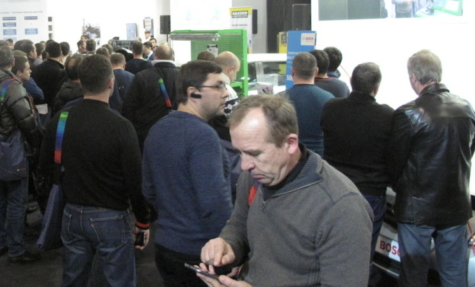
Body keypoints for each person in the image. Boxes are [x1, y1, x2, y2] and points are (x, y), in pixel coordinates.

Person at [199, 95, 373, 287]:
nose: (244, 165)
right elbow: (239, 224)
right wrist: (228, 245)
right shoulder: (255, 175)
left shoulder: (342, 207)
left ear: (290, 143)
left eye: (254, 153)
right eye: (239, 152)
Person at [39, 55, 150, 287]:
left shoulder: (61, 119)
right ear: (111, 82)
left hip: (71, 213)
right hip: (111, 216)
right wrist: (142, 221)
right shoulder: (121, 126)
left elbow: (45, 166)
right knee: (119, 281)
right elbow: (134, 179)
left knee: (73, 279)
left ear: (81, 82)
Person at [388, 50, 475, 287]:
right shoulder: (466, 108)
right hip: (456, 206)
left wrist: (400, 189)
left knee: (413, 276)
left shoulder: (408, 113)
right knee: (454, 275)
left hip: (416, 209)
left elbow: (394, 164)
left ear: (414, 77)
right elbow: (468, 151)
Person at [143, 60, 233, 287]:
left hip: (165, 247)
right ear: (193, 92)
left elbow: (149, 189)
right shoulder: (203, 136)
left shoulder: (158, 129)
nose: (226, 93)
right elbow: (215, 202)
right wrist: (230, 246)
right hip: (201, 254)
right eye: (219, 86)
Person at [321, 62, 394, 285]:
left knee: (329, 250)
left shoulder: (331, 107)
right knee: (363, 256)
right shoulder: (387, 115)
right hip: (369, 193)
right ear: (377, 88)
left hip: (331, 189)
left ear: (351, 82)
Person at [0, 46, 42, 263]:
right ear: (13, 62)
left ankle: (0, 243)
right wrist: (38, 143)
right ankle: (16, 249)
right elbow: (26, 120)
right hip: (12, 151)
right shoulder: (12, 86)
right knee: (16, 201)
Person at [122, 45, 178, 148]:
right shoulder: (183, 77)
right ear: (173, 57)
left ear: (155, 57)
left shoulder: (142, 76)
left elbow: (128, 106)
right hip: (177, 133)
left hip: (146, 133)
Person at [279, 52, 333, 157]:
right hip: (319, 157)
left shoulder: (279, 99)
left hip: (288, 156)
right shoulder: (329, 99)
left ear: (292, 71)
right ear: (316, 71)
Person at [31, 40, 67, 112]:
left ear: (47, 53)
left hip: (40, 104)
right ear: (61, 53)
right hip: (55, 106)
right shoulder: (61, 71)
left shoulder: (37, 68)